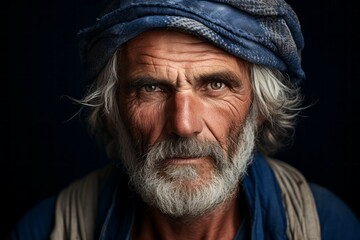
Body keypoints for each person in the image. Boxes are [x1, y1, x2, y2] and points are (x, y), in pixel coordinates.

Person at [8, 0, 360, 239]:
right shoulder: (49, 230)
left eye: (216, 84)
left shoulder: (326, 227)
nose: (183, 124)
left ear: (260, 107)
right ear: (113, 111)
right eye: (151, 88)